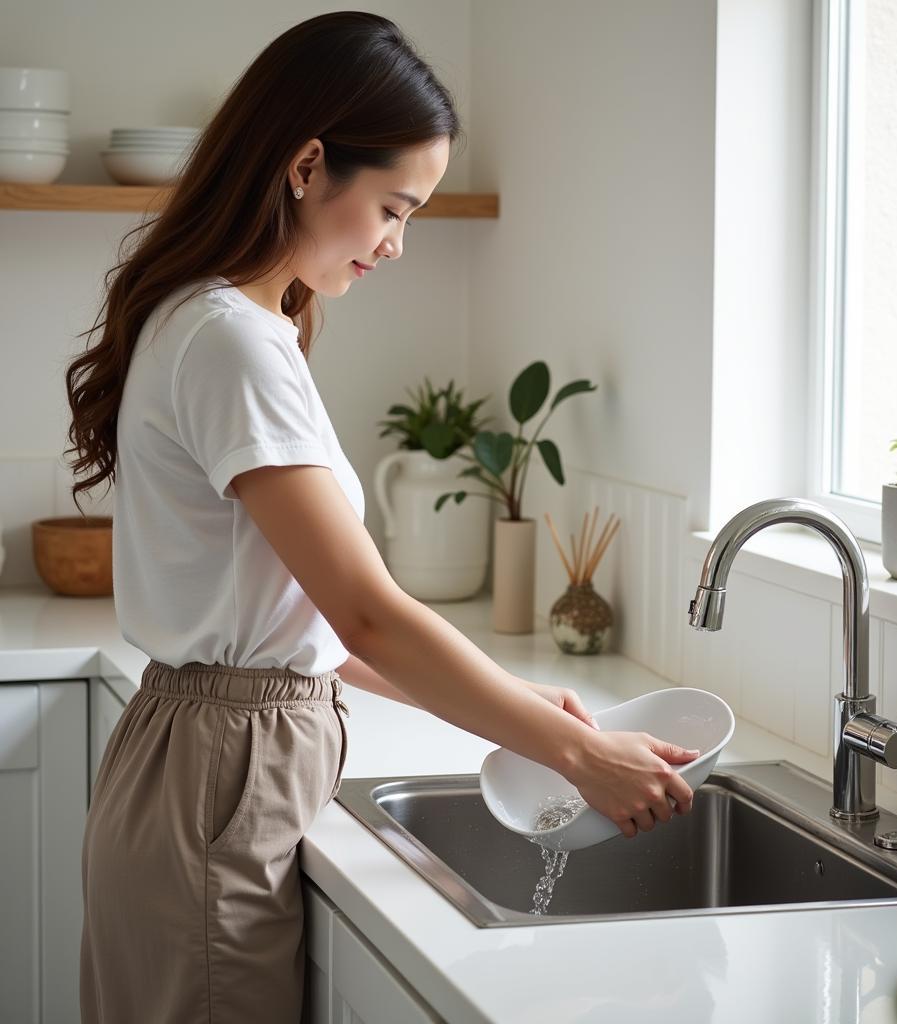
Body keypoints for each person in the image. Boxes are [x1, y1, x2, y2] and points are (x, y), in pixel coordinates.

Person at [64, 11, 700, 1023]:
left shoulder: (227, 318)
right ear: (308, 164)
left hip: (204, 763)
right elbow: (360, 612)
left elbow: (304, 624)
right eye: (395, 208)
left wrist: (518, 699)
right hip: (220, 774)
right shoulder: (233, 340)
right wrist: (571, 753)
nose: (399, 245)